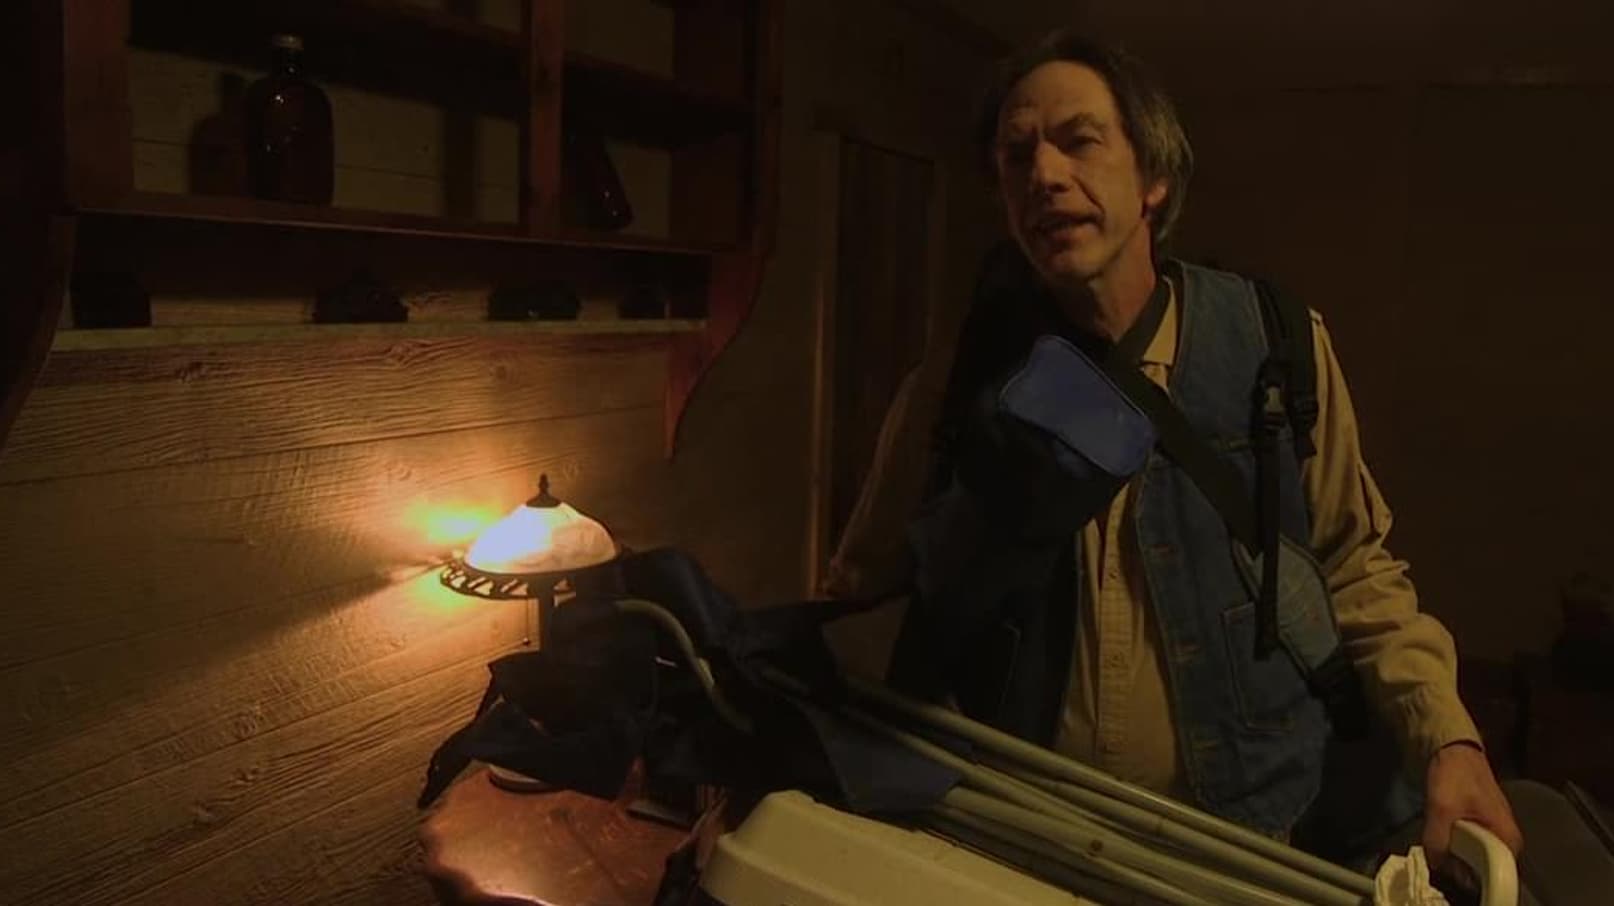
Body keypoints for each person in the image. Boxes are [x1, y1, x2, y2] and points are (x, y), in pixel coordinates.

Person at [829, 29, 1524, 875]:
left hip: (1247, 847)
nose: (1045, 174)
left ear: (1153, 177)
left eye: (1079, 141)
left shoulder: (1274, 346)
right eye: (1017, 156)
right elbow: (864, 596)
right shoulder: (957, 381)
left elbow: (1356, 569)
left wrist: (1448, 736)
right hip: (1027, 843)